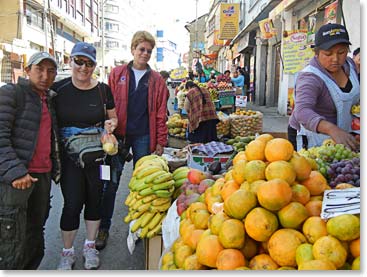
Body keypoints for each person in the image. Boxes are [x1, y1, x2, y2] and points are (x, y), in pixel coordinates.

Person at [97, 30, 169, 250]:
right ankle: (103, 228)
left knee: (144, 186)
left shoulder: (157, 80)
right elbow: (105, 106)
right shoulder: (117, 74)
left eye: (149, 50)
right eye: (141, 49)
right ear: (133, 49)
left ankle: (140, 227)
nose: (145, 54)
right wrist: (104, 131)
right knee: (109, 183)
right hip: (117, 138)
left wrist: (160, 142)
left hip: (143, 138)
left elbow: (160, 113)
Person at [52, 42, 118, 270]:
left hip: (98, 156)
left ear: (94, 66)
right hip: (70, 158)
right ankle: (67, 252)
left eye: (89, 63)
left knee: (94, 200)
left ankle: (89, 247)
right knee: (71, 203)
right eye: (79, 61)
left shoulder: (103, 90)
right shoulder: (58, 90)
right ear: (70, 61)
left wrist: (111, 125)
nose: (83, 67)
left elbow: (113, 118)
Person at [0, 52, 60, 269]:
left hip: (41, 177)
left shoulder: (49, 99)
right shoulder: (11, 94)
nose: (45, 75)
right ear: (27, 70)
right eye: (39, 69)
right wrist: (15, 172)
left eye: (51, 71)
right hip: (17, 179)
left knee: (35, 236)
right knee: (12, 239)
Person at [289, 23, 360, 151]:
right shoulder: (310, 78)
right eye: (328, 54)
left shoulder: (350, 65)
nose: (335, 59)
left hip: (344, 134)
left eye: (341, 52)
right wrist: (331, 129)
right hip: (313, 137)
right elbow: (302, 112)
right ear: (316, 53)